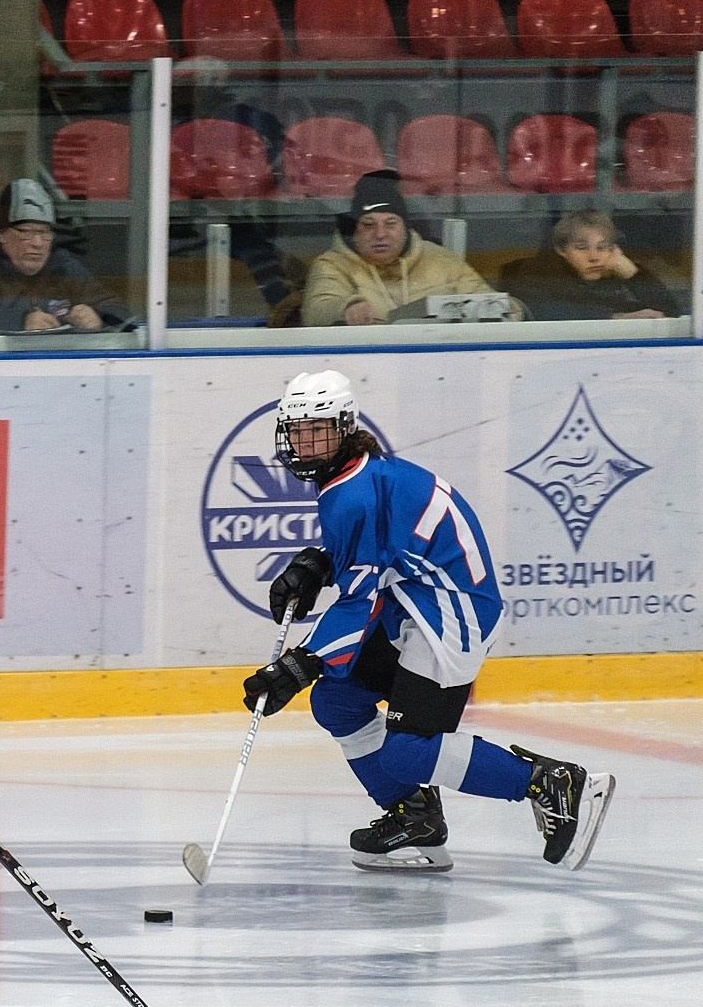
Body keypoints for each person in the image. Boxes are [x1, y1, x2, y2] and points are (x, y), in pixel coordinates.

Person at [241, 369, 615, 873]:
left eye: (319, 431)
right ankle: (414, 815)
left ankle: (549, 781)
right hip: (415, 606)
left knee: (408, 754)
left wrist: (301, 663)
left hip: (452, 614)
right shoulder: (358, 474)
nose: (307, 445)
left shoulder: (351, 491)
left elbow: (359, 602)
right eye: (298, 431)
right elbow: (380, 555)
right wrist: (320, 564)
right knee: (337, 700)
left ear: (344, 427)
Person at [302, 170, 525, 326]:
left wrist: (511, 309)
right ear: (355, 231)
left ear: (405, 228)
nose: (380, 234)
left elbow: (485, 299)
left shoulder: (441, 259)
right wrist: (346, 308)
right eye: (368, 225)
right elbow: (317, 309)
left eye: (391, 223)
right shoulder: (332, 265)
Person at [0, 179, 130, 335]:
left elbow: (122, 312)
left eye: (45, 233)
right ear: (2, 233)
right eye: (27, 232)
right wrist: (21, 321)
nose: (38, 243)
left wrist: (100, 316)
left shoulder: (60, 263)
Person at [500, 210, 684, 321]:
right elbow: (537, 310)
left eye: (602, 247)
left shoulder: (614, 274)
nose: (594, 257)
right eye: (581, 248)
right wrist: (615, 318)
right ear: (561, 249)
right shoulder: (540, 271)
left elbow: (670, 311)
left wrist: (632, 273)